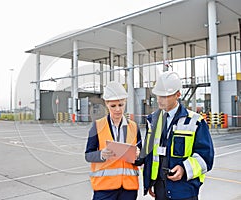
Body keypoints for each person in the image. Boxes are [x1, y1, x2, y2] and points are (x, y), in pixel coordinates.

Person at [141, 71, 214, 200]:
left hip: (184, 190)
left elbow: (205, 157)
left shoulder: (195, 121)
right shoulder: (152, 120)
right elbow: (150, 153)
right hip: (160, 188)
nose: (159, 100)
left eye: (165, 96)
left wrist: (184, 169)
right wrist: (150, 182)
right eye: (158, 95)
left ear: (177, 95)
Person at [85, 81, 142, 200]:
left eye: (121, 105)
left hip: (128, 189)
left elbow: (141, 158)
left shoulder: (134, 127)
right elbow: (88, 155)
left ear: (125, 103)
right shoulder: (97, 126)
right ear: (107, 104)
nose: (117, 109)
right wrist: (101, 154)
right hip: (105, 188)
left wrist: (138, 155)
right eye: (113, 106)